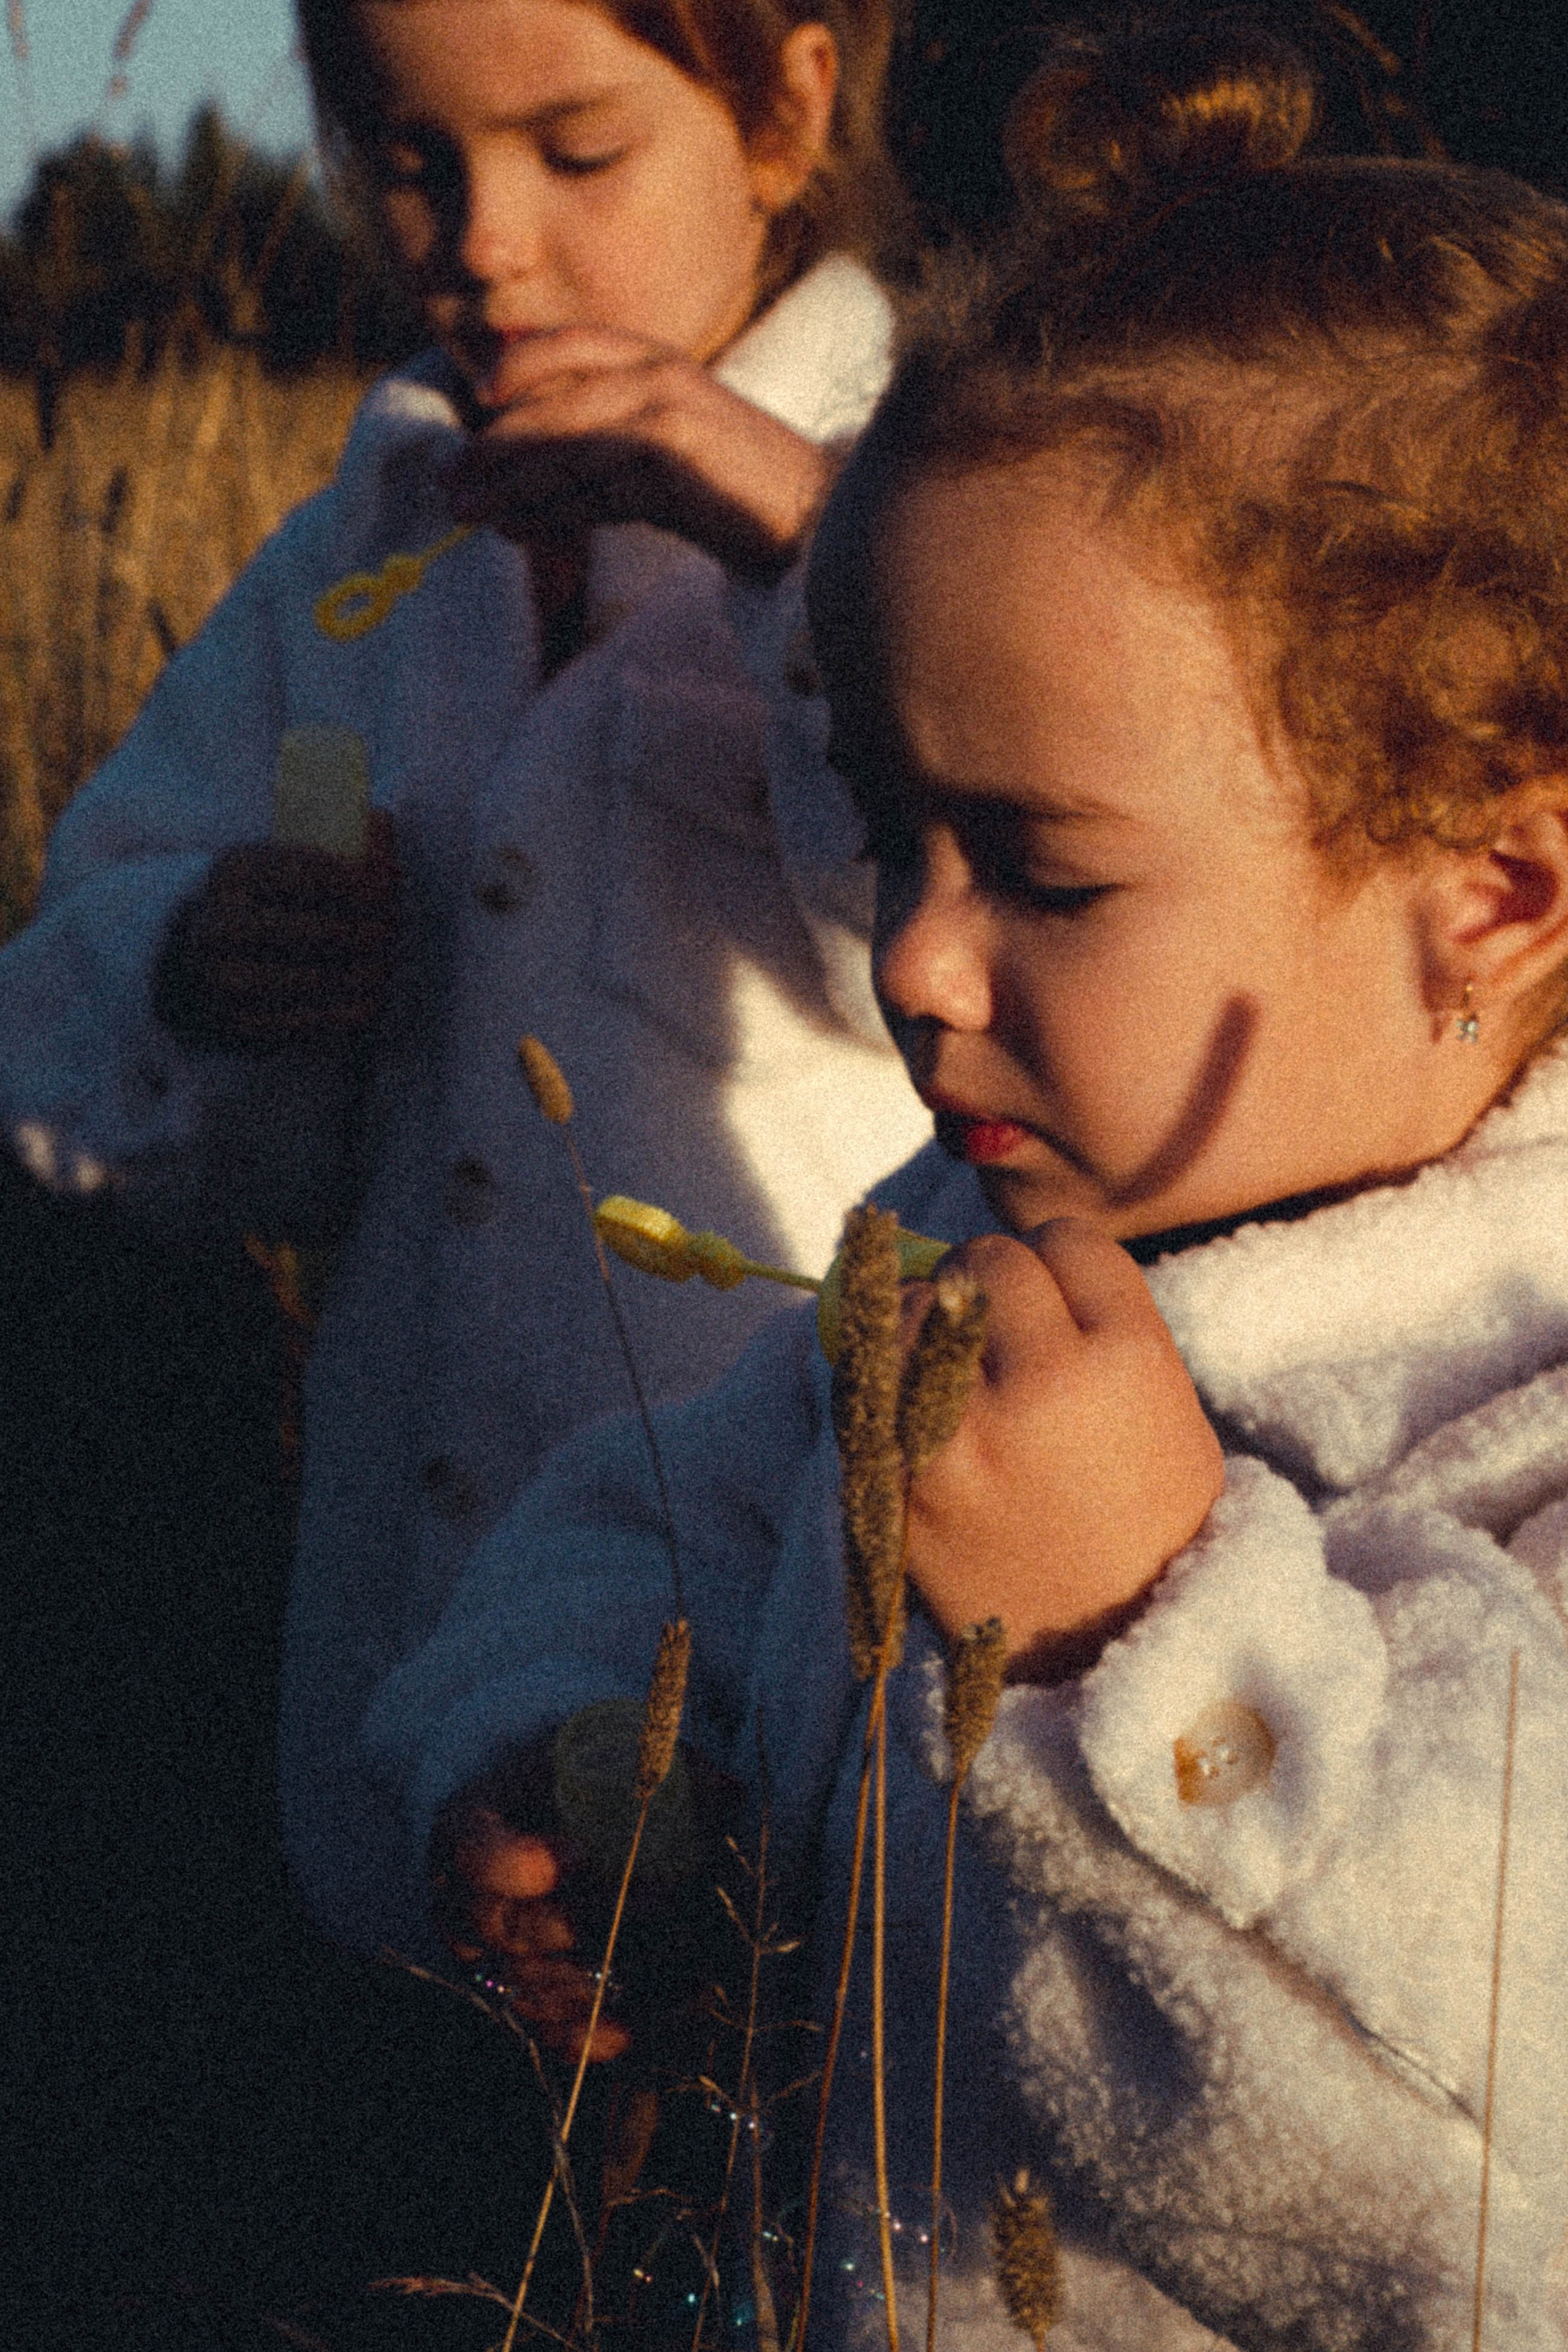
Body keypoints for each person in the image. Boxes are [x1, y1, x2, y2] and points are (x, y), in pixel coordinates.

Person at [366, 21, 1568, 2349]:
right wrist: (577, 1744)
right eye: (896, 827)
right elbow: (673, 1508)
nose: (912, 956)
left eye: (1040, 868)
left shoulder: (1516, 1391)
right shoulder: (963, 1228)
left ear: (1494, 894)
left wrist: (1139, 1630)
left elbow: (1503, 2194)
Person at [0, 0, 933, 1952]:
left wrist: (814, 552)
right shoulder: (360, 552)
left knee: (752, 2069)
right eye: (410, 162)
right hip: (404, 1656)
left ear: (786, 109)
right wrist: (194, 966)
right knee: (430, 2090)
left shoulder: (945, 499)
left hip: (789, 1646)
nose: (487, 243)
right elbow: (60, 1026)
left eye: (578, 152)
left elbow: (978, 942)